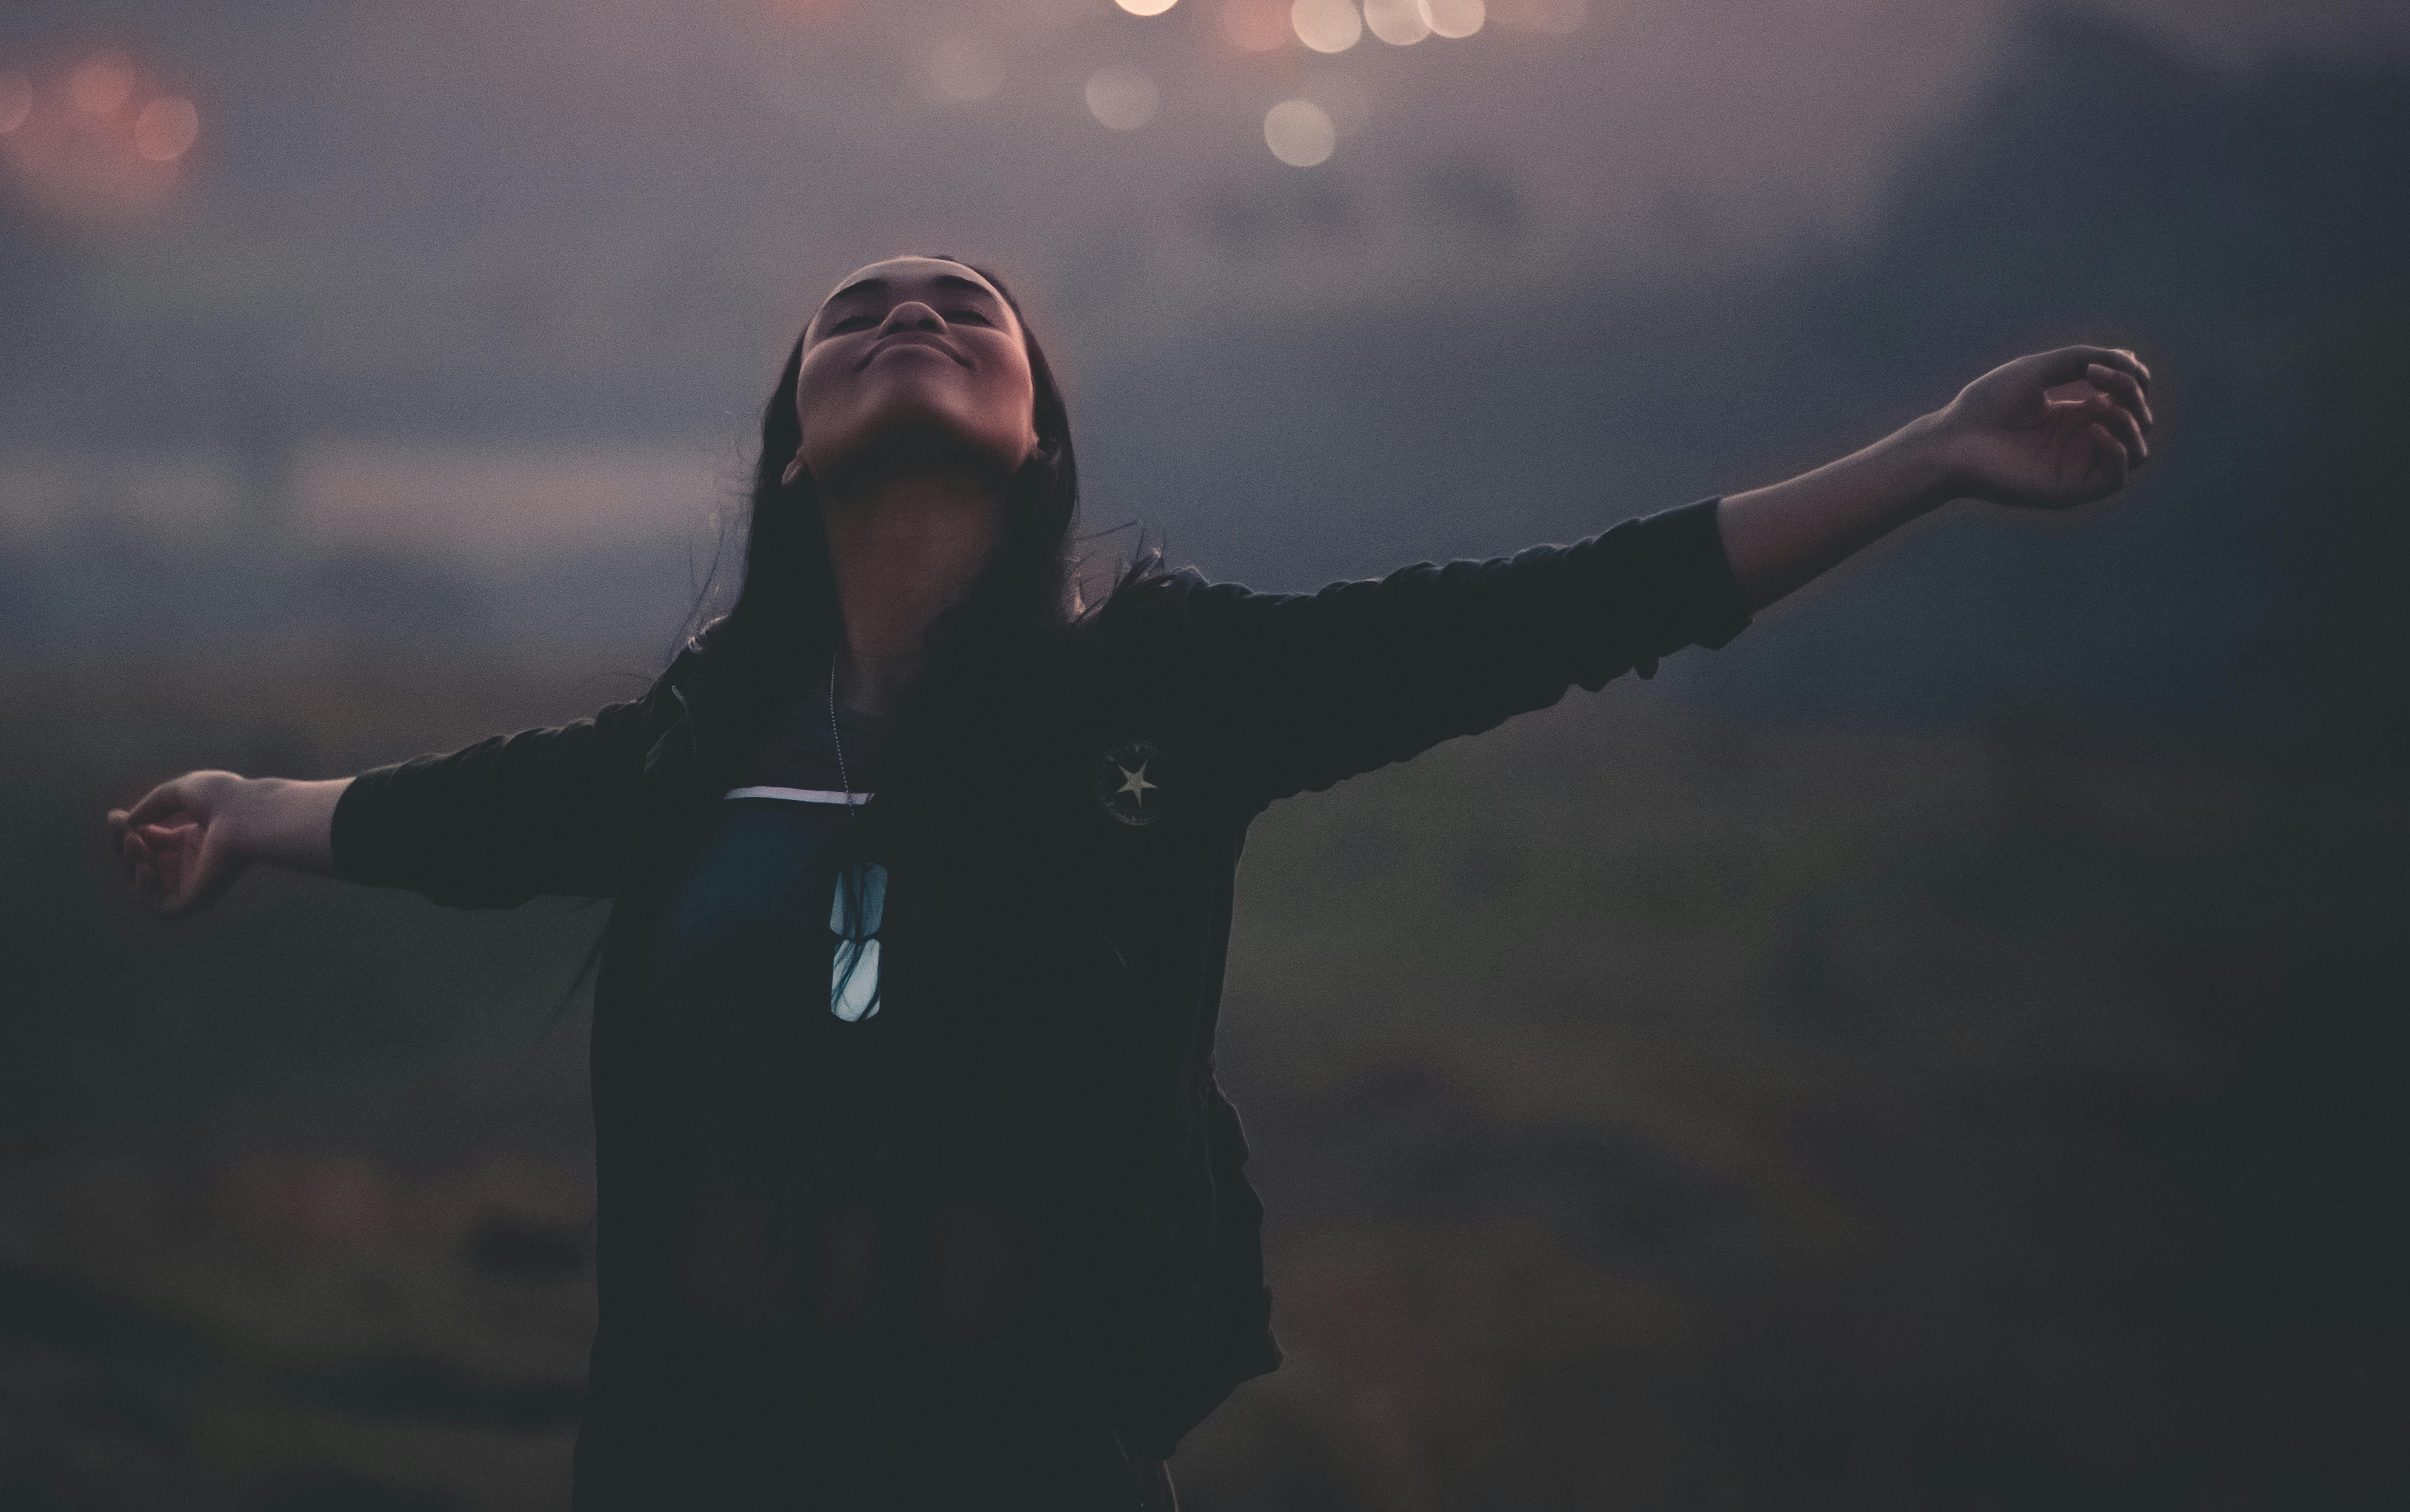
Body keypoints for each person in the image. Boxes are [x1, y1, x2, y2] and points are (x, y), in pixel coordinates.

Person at [109, 257, 2153, 1511]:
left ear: (1037, 435)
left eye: (966, 313)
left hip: (1021, 1464)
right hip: (704, 1455)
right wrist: (245, 803)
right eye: (858, 310)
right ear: (791, 443)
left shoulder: (1165, 693)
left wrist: (1926, 461)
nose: (910, 314)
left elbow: (1552, 615)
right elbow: (488, 818)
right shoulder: (702, 738)